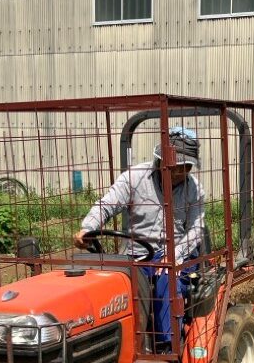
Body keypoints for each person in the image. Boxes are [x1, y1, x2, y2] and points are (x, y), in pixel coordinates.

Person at [74, 127, 205, 349]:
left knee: (166, 281)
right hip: (136, 253)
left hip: (175, 251)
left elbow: (195, 229)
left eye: (186, 167)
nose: (179, 173)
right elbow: (106, 205)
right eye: (175, 166)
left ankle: (167, 347)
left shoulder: (194, 189)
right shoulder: (134, 178)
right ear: (162, 160)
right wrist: (88, 228)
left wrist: (174, 257)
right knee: (111, 285)